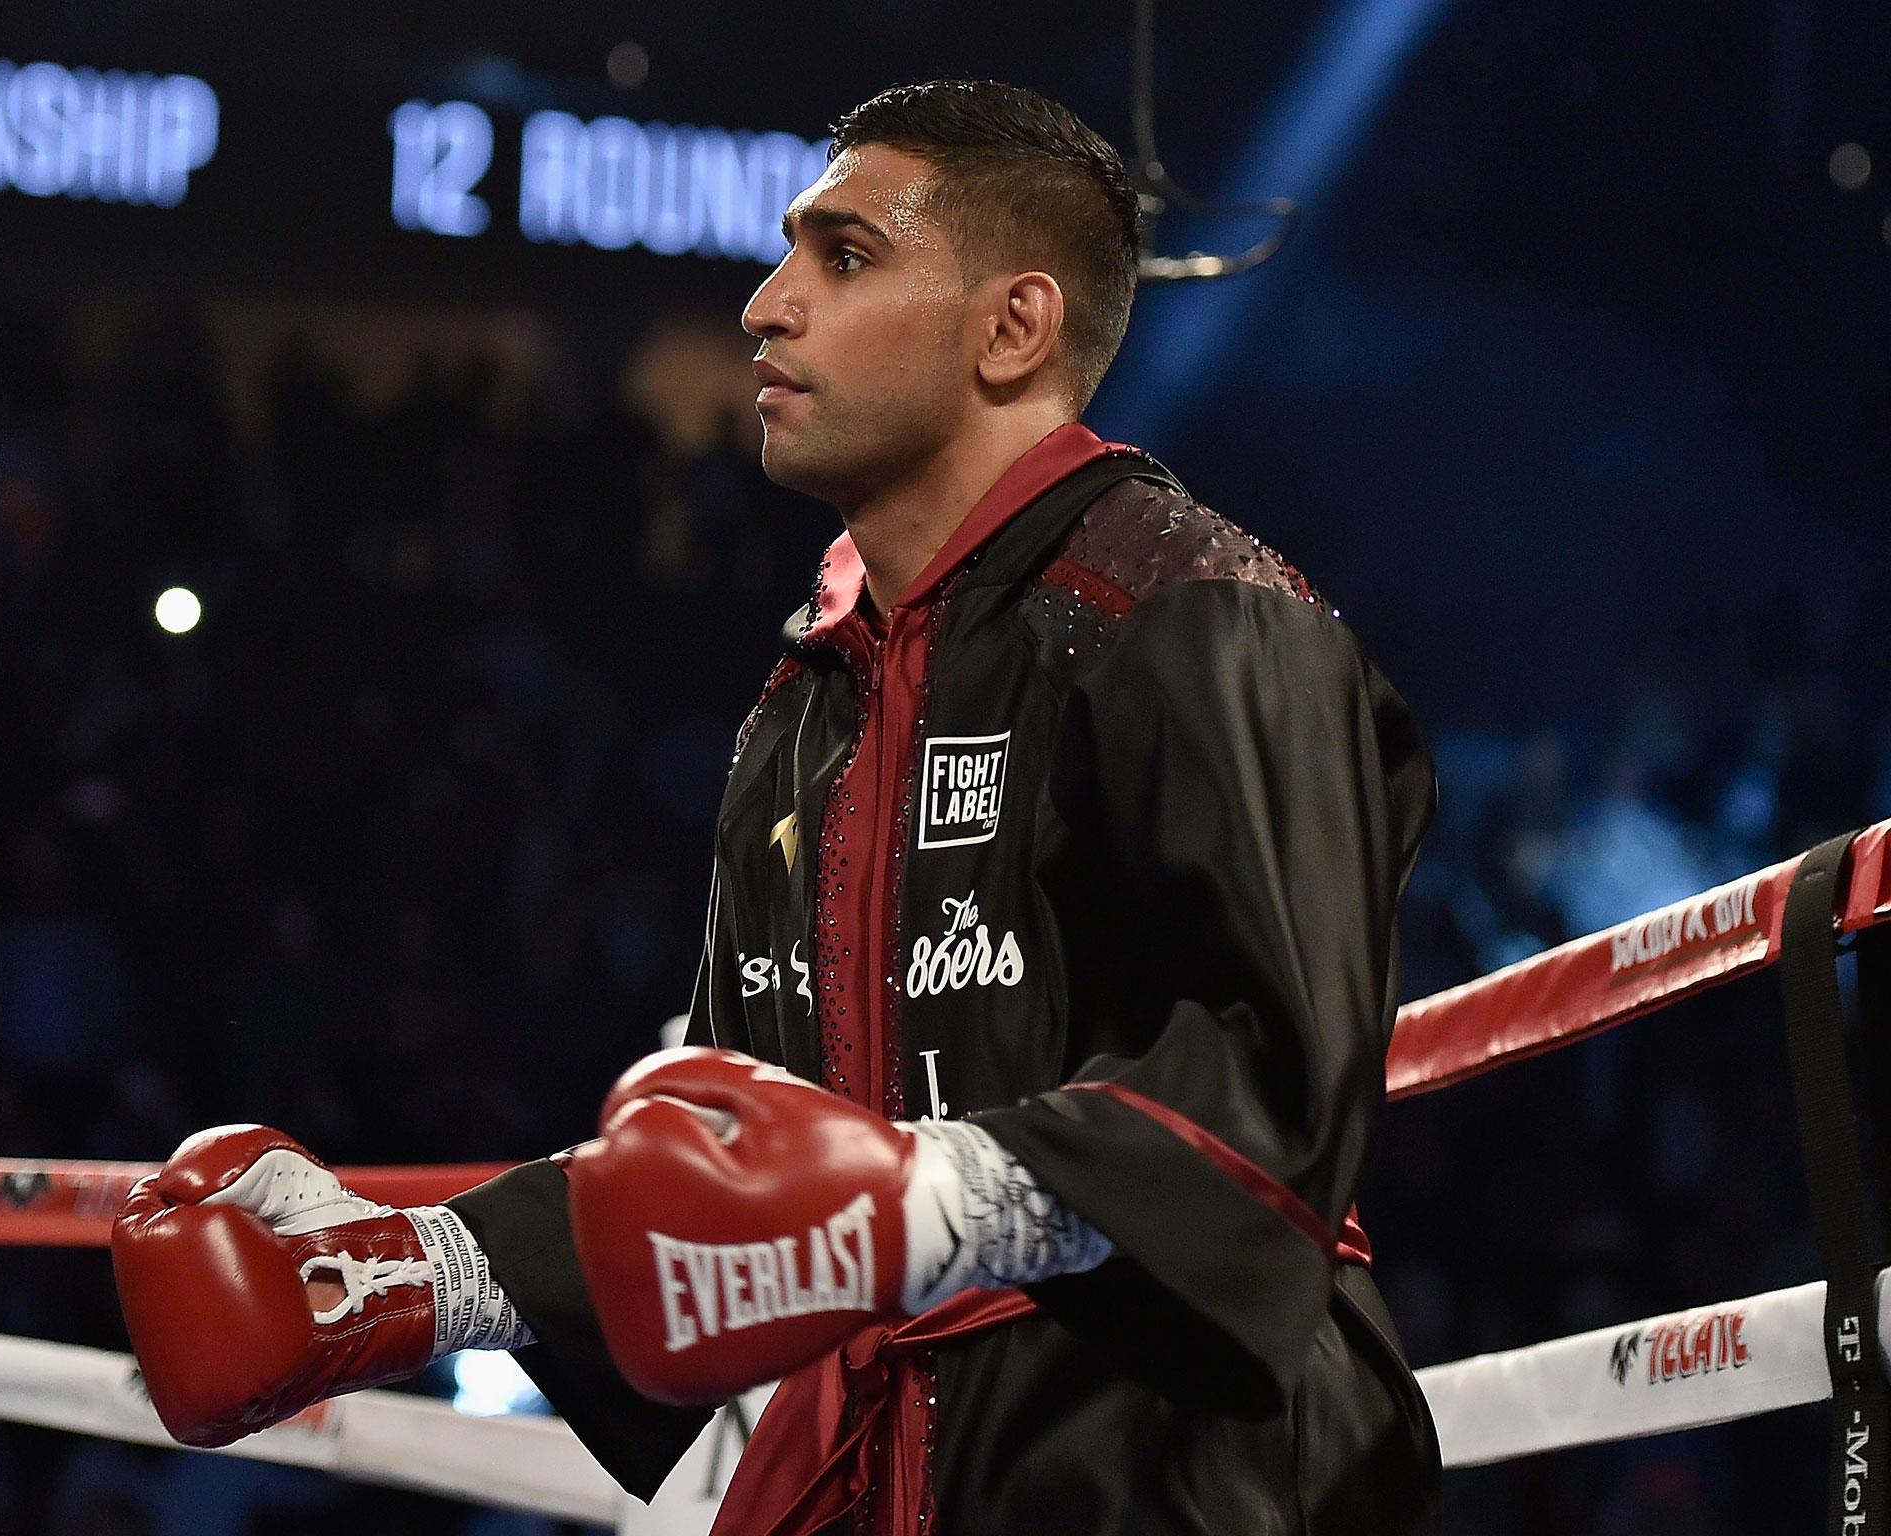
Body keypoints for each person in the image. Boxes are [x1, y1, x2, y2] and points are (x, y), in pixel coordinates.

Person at [113, 80, 1441, 1534]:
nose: (763, 304)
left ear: (1014, 327)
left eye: (844, 254)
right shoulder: (811, 698)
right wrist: (415, 1271)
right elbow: (740, 1148)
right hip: (879, 1461)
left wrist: (923, 1205)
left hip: (1181, 1467)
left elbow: (1284, 1094)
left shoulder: (1197, 615)